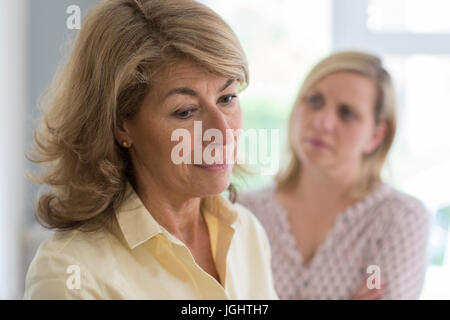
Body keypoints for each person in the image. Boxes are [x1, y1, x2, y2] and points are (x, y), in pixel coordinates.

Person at [23, 0, 277, 300]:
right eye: (185, 112)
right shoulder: (71, 272)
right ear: (120, 125)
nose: (222, 133)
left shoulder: (245, 232)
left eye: (228, 98)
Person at [238, 51, 431, 300]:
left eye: (347, 113)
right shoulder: (243, 212)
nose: (322, 122)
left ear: (376, 136)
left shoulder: (399, 219)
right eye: (315, 101)